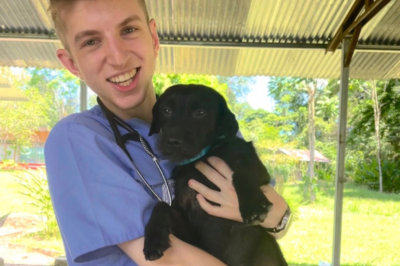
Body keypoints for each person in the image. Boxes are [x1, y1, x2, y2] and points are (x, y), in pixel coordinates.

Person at [44, 0, 291, 265]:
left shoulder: (206, 121)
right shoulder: (78, 138)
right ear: (71, 63)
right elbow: (167, 260)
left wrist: (277, 217)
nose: (118, 57)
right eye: (91, 41)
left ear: (153, 38)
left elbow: (274, 217)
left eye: (128, 30)